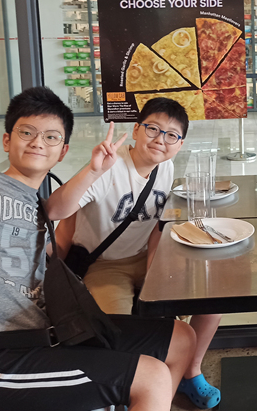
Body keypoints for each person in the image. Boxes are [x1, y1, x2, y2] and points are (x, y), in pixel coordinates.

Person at [0, 86, 196, 411]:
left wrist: (94, 170)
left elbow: (58, 209)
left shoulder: (41, 208)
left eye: (51, 137)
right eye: (26, 132)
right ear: (6, 140)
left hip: (48, 333)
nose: (38, 142)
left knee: (182, 338)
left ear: (63, 151)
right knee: (151, 377)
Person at [47, 97, 222, 409]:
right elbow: (55, 210)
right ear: (137, 130)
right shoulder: (109, 169)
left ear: (180, 144)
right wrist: (91, 170)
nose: (160, 140)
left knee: (214, 297)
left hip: (145, 257)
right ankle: (137, 394)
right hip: (104, 266)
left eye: (171, 135)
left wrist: (156, 271)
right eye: (153, 129)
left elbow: (156, 228)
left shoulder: (165, 167)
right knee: (117, 334)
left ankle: (189, 372)